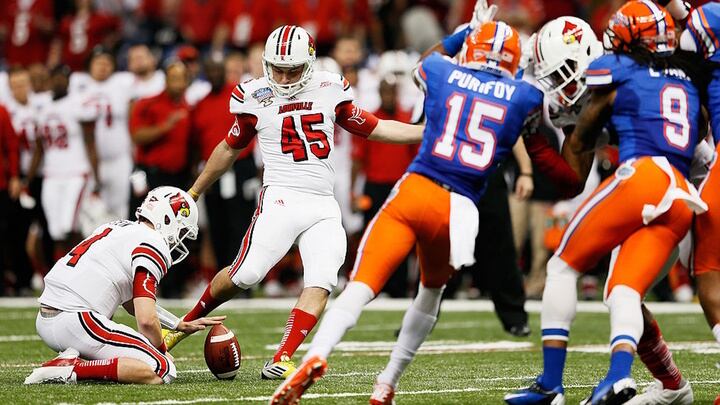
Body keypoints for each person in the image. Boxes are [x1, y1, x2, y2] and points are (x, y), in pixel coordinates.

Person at [269, 13, 582, 404]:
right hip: (459, 210)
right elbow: (562, 174)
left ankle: (316, 354)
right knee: (430, 294)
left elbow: (427, 60)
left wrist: (462, 34)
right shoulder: (525, 98)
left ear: (472, 49)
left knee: (361, 285)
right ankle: (387, 381)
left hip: (416, 190)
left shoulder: (443, 72)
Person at [162, 25, 425, 381]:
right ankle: (181, 326)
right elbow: (229, 148)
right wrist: (194, 192)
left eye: (293, 69)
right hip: (281, 199)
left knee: (323, 278)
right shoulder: (255, 95)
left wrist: (425, 132)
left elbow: (376, 127)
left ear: (310, 64)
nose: (284, 77)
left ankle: (283, 355)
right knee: (246, 274)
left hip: (322, 203)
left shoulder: (329, 88)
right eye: (278, 69)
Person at [506, 2, 706, 404]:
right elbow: (573, 176)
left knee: (563, 265)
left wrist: (529, 122)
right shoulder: (678, 73)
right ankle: (649, 383)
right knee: (622, 290)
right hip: (684, 192)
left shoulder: (613, 70)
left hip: (656, 177)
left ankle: (551, 384)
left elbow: (581, 142)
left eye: (560, 75)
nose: (556, 87)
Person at [24, 186, 224, 385]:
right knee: (163, 369)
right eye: (182, 230)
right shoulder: (153, 242)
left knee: (149, 361)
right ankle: (69, 369)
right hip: (76, 320)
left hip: (47, 320)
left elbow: (131, 302)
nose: (180, 237)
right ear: (166, 219)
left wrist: (175, 324)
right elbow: (146, 320)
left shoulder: (117, 227)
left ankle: (73, 362)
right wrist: (160, 352)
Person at [36, 65, 100, 259]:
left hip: (76, 172)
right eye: (56, 77)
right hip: (51, 173)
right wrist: (26, 179)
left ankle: (79, 266)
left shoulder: (77, 103)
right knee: (55, 230)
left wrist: (96, 176)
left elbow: (90, 142)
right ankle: (60, 269)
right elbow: (39, 147)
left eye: (63, 77)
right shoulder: (42, 107)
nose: (59, 81)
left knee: (68, 226)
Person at [71, 49, 134, 220]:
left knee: (121, 208)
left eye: (107, 63)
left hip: (119, 157)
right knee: (90, 212)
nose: (103, 67)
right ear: (90, 65)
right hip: (87, 160)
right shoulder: (78, 85)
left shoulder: (122, 83)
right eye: (99, 62)